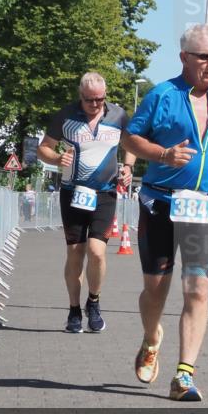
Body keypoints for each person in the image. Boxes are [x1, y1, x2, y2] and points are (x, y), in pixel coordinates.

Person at [121, 23, 208, 402]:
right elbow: (130, 137)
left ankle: (183, 375)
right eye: (204, 56)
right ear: (184, 57)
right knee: (155, 290)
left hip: (202, 205)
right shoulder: (162, 95)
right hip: (160, 201)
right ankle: (152, 337)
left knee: (198, 290)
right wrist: (163, 155)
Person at [38, 73, 134, 334]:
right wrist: (57, 159)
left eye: (100, 99)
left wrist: (128, 166)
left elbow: (131, 143)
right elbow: (43, 147)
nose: (95, 105)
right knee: (75, 253)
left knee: (97, 252)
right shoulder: (65, 116)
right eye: (89, 100)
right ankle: (73, 310)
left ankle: (93, 301)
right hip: (73, 192)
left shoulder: (118, 116)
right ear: (80, 96)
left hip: (105, 193)